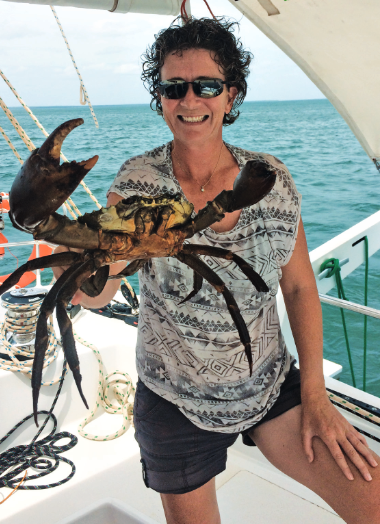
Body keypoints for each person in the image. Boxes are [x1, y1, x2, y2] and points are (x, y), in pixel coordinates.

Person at [54, 16, 380, 524]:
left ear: (231, 95)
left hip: (270, 387)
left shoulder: (267, 179)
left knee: (371, 495)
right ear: (160, 97)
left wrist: (315, 395)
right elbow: (93, 296)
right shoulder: (139, 181)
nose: (190, 100)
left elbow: (296, 286)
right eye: (173, 87)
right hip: (173, 398)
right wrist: (104, 261)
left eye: (207, 86)